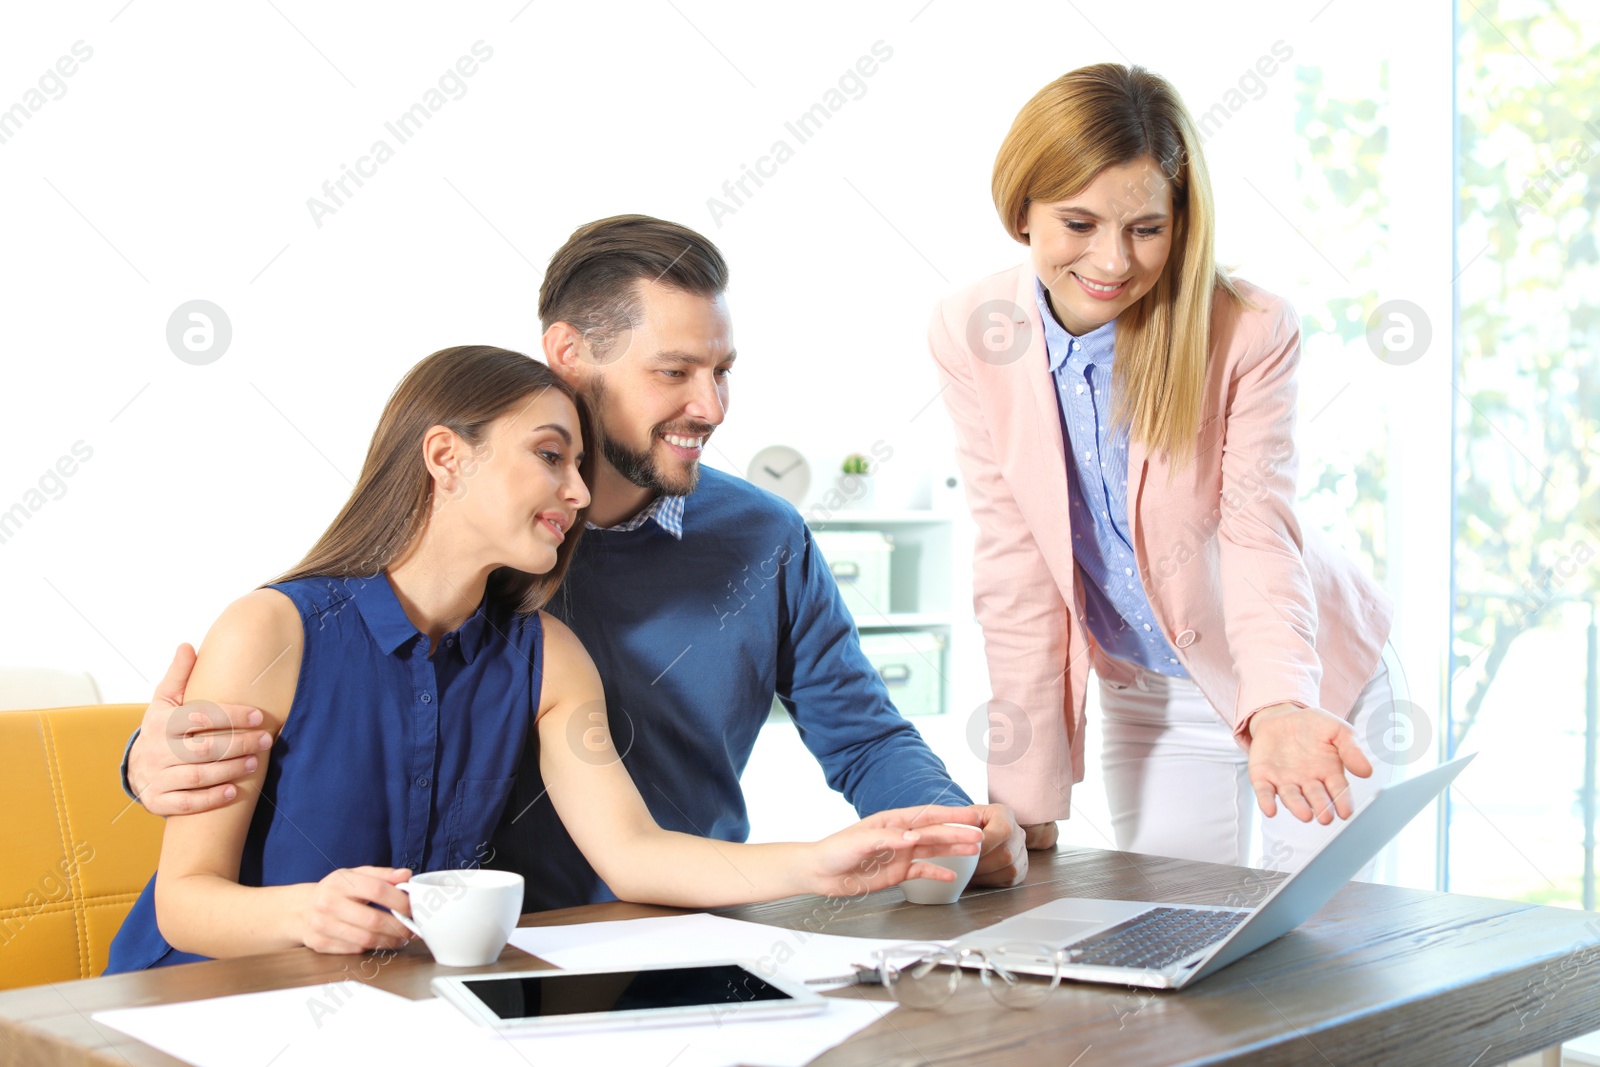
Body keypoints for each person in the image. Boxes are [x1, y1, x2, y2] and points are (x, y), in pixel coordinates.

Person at [121, 216, 1028, 913]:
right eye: (673, 371)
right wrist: (143, 759)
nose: (710, 406)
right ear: (570, 355)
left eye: (723, 370)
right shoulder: (493, 528)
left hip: (697, 917)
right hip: (498, 945)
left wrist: (949, 826)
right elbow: (341, 667)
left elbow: (864, 735)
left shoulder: (764, 539)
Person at [927, 63, 1397, 871]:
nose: (1113, 261)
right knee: (1177, 940)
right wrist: (1025, 801)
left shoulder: (1249, 329)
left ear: (1182, 221)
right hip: (1151, 693)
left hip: (1300, 680)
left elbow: (1256, 530)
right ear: (1022, 211)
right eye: (1078, 223)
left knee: (1319, 949)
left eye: (1147, 228)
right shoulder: (972, 328)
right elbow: (1017, 564)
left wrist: (1282, 704)